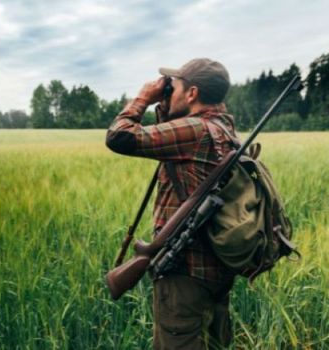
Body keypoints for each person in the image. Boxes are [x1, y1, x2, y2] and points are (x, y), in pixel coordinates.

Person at [106, 58, 238, 349]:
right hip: (216, 270)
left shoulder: (195, 131)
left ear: (192, 94)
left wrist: (143, 97)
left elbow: (119, 136)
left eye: (173, 87)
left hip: (184, 277)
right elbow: (170, 142)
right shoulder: (225, 131)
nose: (168, 91)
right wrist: (166, 106)